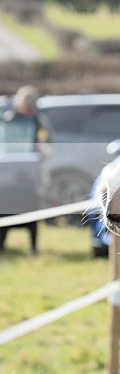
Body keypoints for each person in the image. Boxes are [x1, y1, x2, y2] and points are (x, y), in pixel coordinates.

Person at [0, 86, 52, 253]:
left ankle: (33, 247)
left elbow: (48, 144)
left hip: (29, 173)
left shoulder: (39, 122)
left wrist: (42, 151)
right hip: (8, 173)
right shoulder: (8, 119)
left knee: (30, 211)